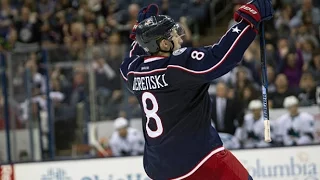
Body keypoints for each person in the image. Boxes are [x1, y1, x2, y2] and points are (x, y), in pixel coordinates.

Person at [120, 1, 273, 179]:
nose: (179, 37)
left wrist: (143, 31)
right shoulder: (177, 67)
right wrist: (249, 21)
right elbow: (219, 58)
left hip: (158, 167)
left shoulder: (132, 71)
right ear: (164, 44)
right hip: (199, 159)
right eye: (173, 35)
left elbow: (135, 54)